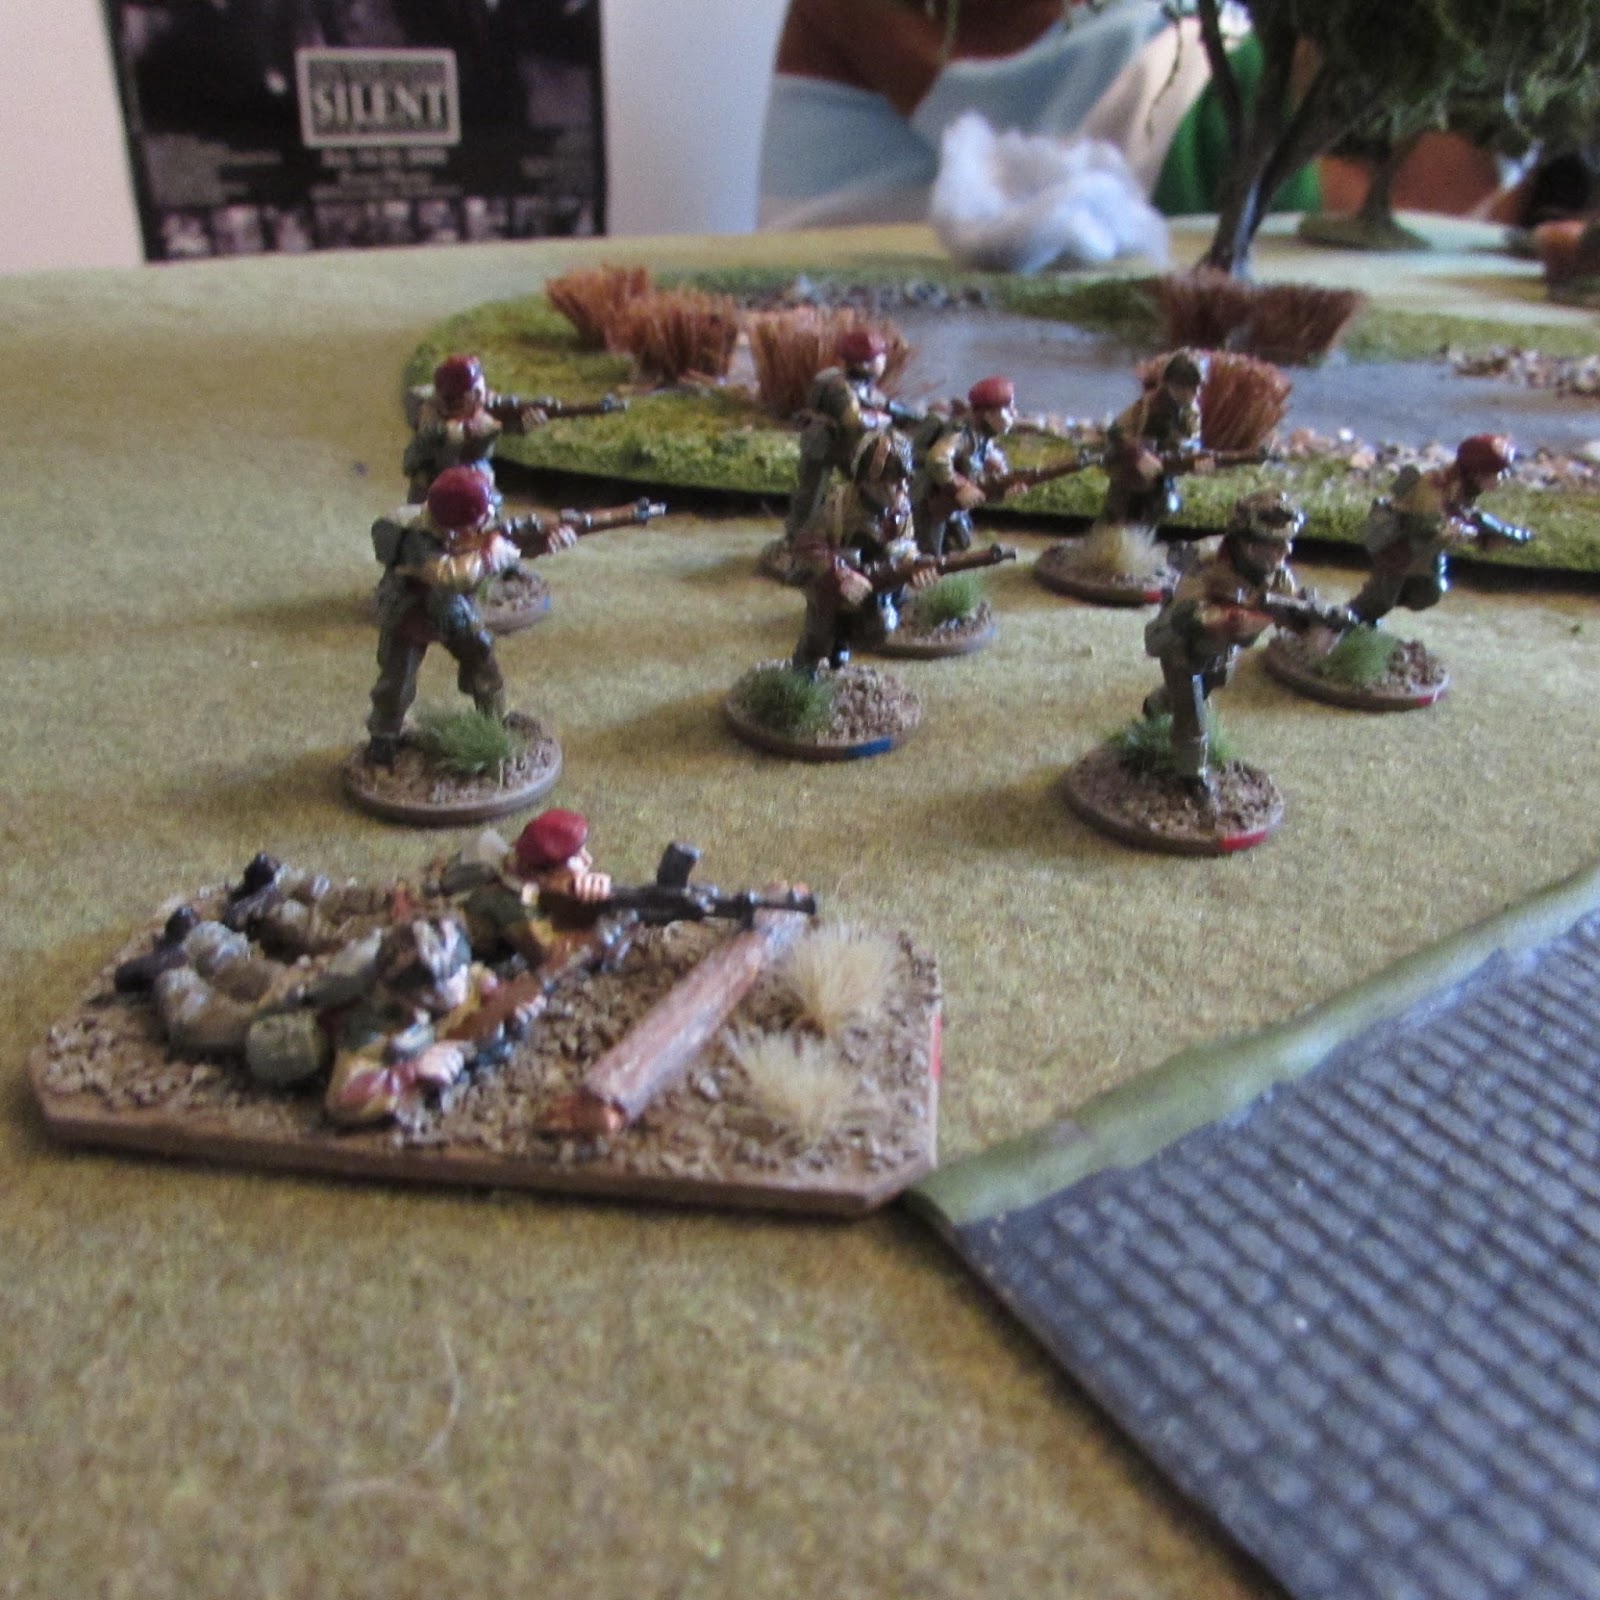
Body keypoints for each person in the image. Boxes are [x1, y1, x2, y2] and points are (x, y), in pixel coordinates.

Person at [365, 467, 577, 765]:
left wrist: (544, 542)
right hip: (409, 609)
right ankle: (383, 736)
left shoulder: (478, 521)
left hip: (453, 609)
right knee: (397, 677)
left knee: (482, 660)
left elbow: (507, 539)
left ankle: (492, 724)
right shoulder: (414, 534)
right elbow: (450, 575)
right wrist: (491, 556)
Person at [1142, 491, 1344, 796]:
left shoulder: (1277, 578)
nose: (1285, 550)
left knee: (1212, 681)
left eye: (1286, 542)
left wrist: (1315, 627)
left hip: (1221, 652)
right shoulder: (1206, 563)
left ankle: (1158, 704)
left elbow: (1290, 614)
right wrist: (1230, 617)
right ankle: (1192, 775)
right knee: (1194, 716)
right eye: (1275, 544)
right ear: (1248, 544)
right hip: (1184, 649)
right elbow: (1185, 614)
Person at [792, 430, 936, 674]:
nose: (903, 487)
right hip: (832, 584)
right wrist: (841, 574)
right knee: (817, 637)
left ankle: (844, 641)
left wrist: (915, 562)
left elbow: (905, 543)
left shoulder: (901, 509)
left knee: (881, 625)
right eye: (894, 480)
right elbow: (807, 546)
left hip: (875, 584)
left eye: (906, 479)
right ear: (869, 480)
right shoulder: (837, 507)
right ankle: (805, 672)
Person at [1349, 435, 1531, 624]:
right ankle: (1343, 621)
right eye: (1497, 473)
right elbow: (1430, 524)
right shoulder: (1432, 484)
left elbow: (1465, 516)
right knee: (1380, 599)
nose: (1503, 477)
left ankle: (1371, 612)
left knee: (1429, 592)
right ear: (1476, 473)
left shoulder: (1463, 490)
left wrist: (1489, 537)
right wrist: (1466, 533)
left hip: (1427, 549)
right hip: (1400, 543)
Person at [784, 327, 914, 543]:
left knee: (866, 489)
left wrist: (907, 415)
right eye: (880, 356)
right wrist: (881, 419)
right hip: (823, 445)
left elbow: (881, 402)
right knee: (811, 495)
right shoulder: (839, 387)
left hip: (847, 446)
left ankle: (861, 531)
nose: (884, 360)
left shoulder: (862, 386)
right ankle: (798, 539)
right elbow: (853, 421)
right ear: (865, 363)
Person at [912, 373, 1017, 557]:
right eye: (1008, 409)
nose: (1014, 414)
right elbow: (938, 459)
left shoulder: (985, 440)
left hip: (952, 506)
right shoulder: (961, 435)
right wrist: (960, 487)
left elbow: (980, 480)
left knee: (961, 542)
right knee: (929, 553)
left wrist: (1002, 489)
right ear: (988, 414)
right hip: (929, 502)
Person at [1099, 349, 1205, 529]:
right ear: (1174, 385)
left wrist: (1194, 456)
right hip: (1131, 473)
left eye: (1198, 386)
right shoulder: (1151, 407)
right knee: (1121, 518)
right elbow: (1118, 434)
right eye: (1190, 386)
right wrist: (1138, 453)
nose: (1196, 392)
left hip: (1162, 474)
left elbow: (1191, 440)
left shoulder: (1190, 411)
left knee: (1154, 515)